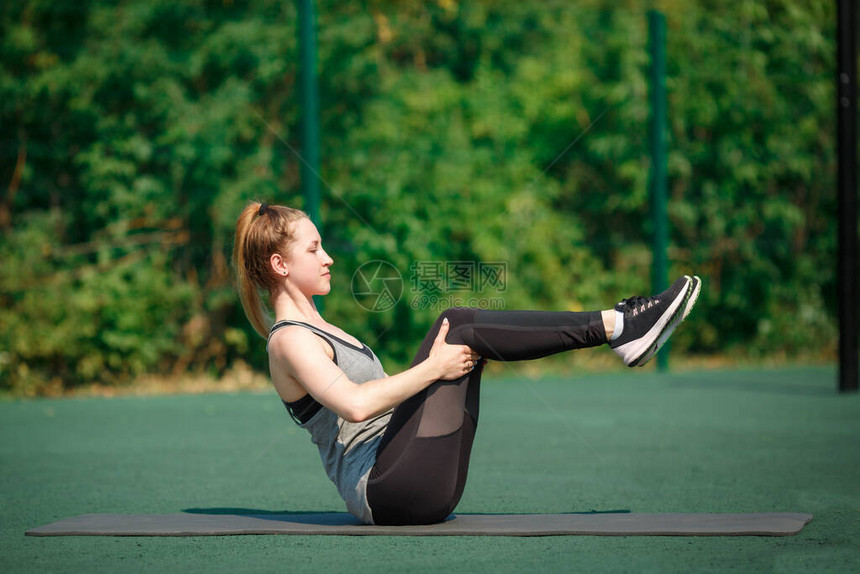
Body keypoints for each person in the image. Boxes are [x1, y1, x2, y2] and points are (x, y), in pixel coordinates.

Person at [233, 202, 701, 526]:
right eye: (314, 249)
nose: (328, 257)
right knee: (456, 326)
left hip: (417, 479)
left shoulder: (321, 327)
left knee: (459, 327)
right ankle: (618, 326)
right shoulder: (289, 341)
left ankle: (619, 328)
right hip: (386, 491)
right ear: (280, 264)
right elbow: (355, 406)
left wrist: (435, 369)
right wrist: (433, 369)